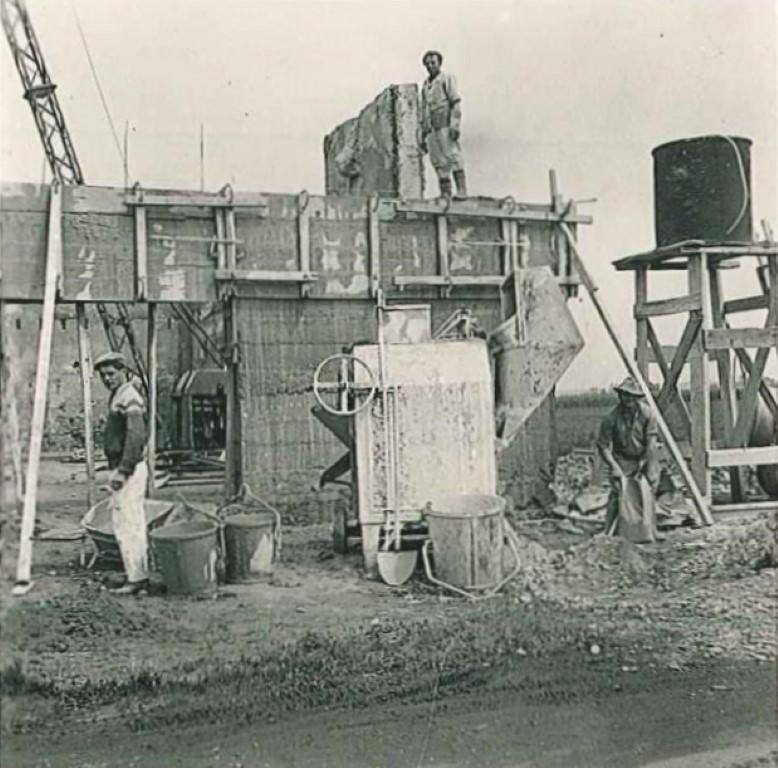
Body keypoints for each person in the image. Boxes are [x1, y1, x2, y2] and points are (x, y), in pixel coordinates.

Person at [94, 351, 149, 595]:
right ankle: (136, 574)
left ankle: (137, 579)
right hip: (123, 467)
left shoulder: (130, 397)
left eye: (112, 374)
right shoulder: (119, 395)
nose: (107, 379)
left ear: (123, 371)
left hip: (129, 469)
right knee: (127, 522)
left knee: (128, 523)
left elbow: (136, 437)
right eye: (103, 376)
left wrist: (123, 471)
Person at [597, 376, 660, 540]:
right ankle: (608, 532)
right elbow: (603, 446)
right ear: (620, 396)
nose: (629, 399)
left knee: (648, 490)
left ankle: (650, 531)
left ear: (638, 397)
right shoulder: (611, 418)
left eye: (633, 396)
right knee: (617, 491)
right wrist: (614, 467)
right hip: (622, 458)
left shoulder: (648, 414)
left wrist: (648, 465)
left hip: (644, 455)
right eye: (626, 395)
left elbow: (651, 444)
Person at [420, 50, 467, 199]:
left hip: (445, 124)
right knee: (438, 161)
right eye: (427, 64)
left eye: (433, 62)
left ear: (439, 63)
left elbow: (455, 102)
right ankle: (445, 193)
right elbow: (424, 108)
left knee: (452, 156)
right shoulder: (426, 85)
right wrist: (423, 132)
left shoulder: (447, 79)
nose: (430, 66)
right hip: (431, 128)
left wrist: (455, 125)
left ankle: (461, 191)